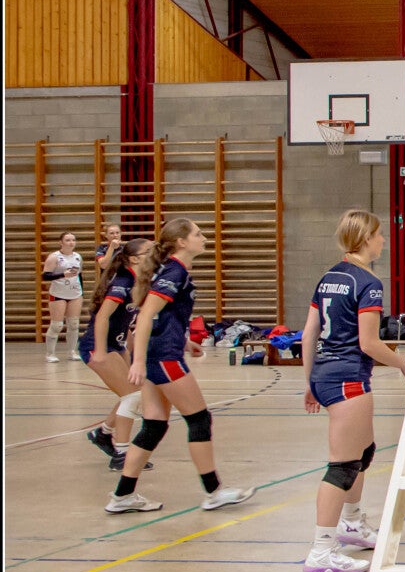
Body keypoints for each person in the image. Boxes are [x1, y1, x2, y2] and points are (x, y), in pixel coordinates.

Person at [109, 217, 255, 514]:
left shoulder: (171, 270)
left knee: (154, 426)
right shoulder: (174, 271)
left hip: (160, 353)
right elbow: (145, 315)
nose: (204, 238)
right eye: (198, 234)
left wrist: (185, 341)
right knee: (199, 420)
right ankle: (214, 492)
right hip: (163, 358)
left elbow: (161, 316)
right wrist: (138, 362)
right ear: (181, 241)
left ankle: (122, 496)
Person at [300, 210, 405, 572]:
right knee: (343, 465)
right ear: (366, 239)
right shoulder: (368, 283)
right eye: (379, 235)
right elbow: (369, 343)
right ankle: (322, 550)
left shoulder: (328, 277)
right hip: (348, 377)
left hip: (326, 374)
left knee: (363, 451)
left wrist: (310, 382)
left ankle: (351, 523)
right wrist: (404, 364)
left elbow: (309, 334)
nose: (383, 240)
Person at [81, 237, 155, 472]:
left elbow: (125, 321)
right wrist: (101, 351)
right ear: (134, 259)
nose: (155, 255)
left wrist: (131, 351)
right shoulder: (122, 283)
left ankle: (103, 433)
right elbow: (102, 317)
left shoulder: (139, 282)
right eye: (149, 252)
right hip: (98, 345)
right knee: (131, 396)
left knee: (134, 394)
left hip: (117, 344)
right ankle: (121, 454)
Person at [43, 231, 85, 362]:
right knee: (57, 325)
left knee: (74, 324)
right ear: (61, 242)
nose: (71, 242)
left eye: (73, 240)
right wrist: (63, 275)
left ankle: (72, 352)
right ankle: (50, 354)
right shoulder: (54, 257)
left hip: (75, 294)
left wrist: (81, 292)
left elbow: (79, 275)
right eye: (68, 240)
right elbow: (45, 276)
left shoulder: (78, 257)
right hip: (58, 294)